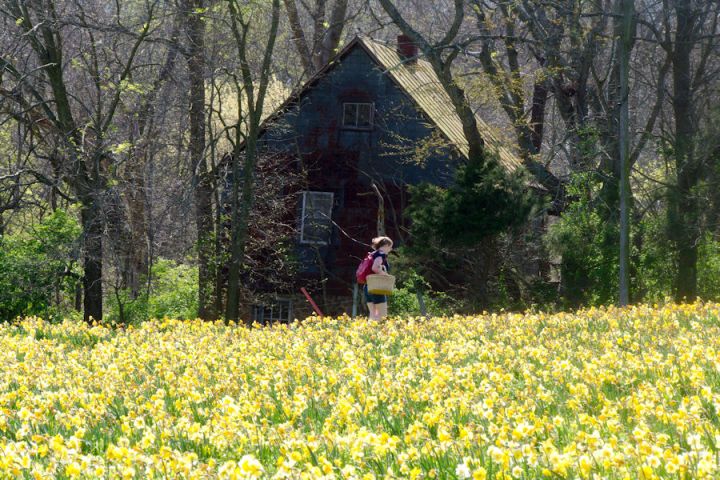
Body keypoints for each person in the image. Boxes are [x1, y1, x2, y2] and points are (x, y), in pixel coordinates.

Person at [365, 236, 393, 320]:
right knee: (382, 316)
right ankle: (378, 332)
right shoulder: (381, 254)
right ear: (386, 245)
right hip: (377, 287)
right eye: (390, 247)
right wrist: (386, 275)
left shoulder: (373, 254)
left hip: (367, 286)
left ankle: (367, 332)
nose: (391, 249)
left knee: (373, 315)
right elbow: (375, 268)